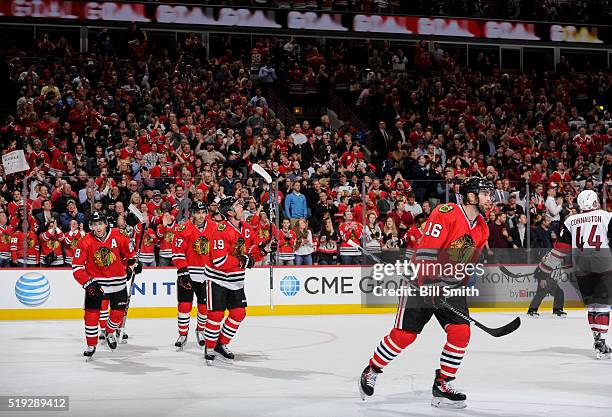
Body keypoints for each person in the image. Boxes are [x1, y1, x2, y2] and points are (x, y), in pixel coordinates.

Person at [358, 177, 494, 409]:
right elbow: (426, 251)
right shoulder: (446, 212)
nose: (490, 199)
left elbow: (465, 262)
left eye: (490, 194)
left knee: (461, 333)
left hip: (449, 288)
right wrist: (430, 282)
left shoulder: (482, 228)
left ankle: (443, 383)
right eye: (485, 194)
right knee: (405, 336)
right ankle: (372, 369)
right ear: (471, 196)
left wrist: (454, 284)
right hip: (419, 283)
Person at [533, 190, 612, 359]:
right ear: (596, 203)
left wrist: (547, 267)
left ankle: (598, 340)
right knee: (603, 305)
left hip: (581, 267)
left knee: (593, 306)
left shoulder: (570, 221)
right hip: (604, 264)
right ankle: (601, 342)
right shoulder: (606, 216)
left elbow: (561, 249)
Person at [202, 197, 275, 365]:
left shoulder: (247, 229)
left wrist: (265, 249)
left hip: (236, 281)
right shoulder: (220, 230)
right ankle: (210, 346)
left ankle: (221, 343)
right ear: (229, 212)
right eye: (237, 205)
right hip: (217, 280)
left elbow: (252, 252)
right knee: (216, 315)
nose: (241, 206)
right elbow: (220, 261)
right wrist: (244, 261)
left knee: (238, 313)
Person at [71, 212, 141, 358]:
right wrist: (88, 283)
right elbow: (77, 267)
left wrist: (134, 265)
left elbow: (130, 255)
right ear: (91, 226)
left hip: (118, 283)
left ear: (106, 224)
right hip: (96, 284)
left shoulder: (119, 235)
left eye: (100, 224)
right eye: (95, 224)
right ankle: (91, 345)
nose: (98, 227)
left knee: (118, 314)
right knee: (91, 316)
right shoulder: (84, 242)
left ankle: (109, 331)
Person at [171, 201, 217, 349]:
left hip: (207, 274)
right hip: (188, 273)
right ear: (192, 214)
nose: (201, 215)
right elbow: (177, 251)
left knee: (204, 306)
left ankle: (201, 330)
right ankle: (183, 334)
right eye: (198, 213)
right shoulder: (184, 228)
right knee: (184, 305)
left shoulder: (214, 227)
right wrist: (183, 270)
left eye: (203, 212)